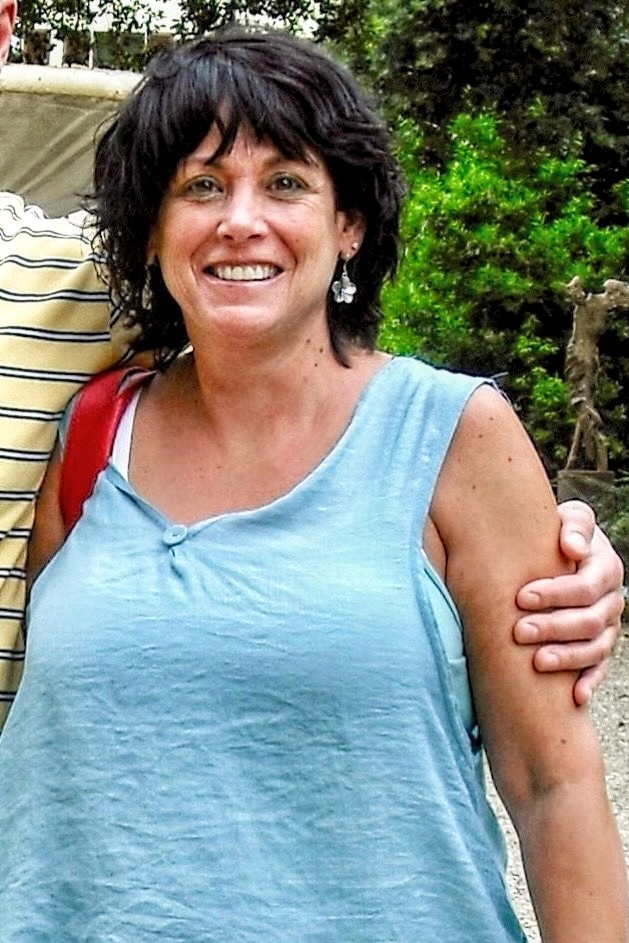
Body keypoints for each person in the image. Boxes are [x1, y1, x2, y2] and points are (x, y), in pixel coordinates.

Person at [2, 30, 625, 941]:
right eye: (200, 187)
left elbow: (552, 786)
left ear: (350, 223)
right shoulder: (92, 434)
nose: (239, 220)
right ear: (150, 229)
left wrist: (577, 556)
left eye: (286, 182)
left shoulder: (454, 435)